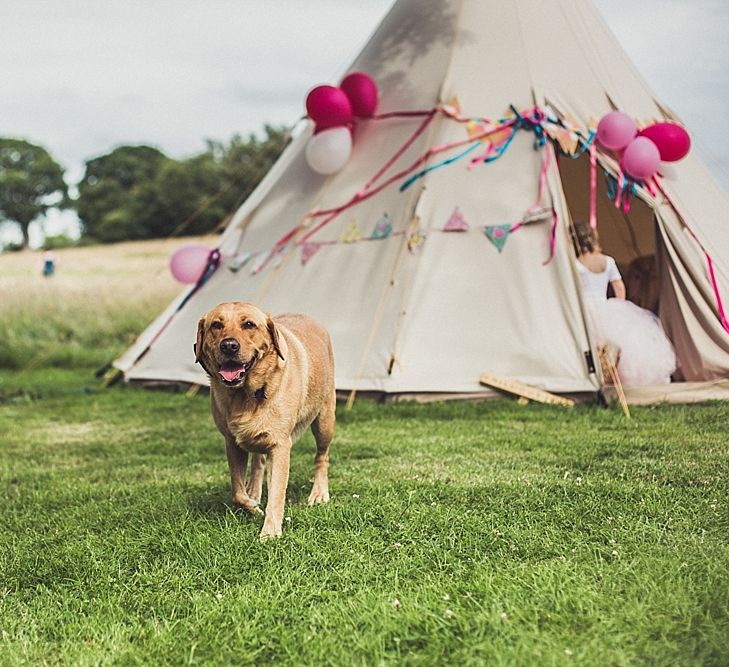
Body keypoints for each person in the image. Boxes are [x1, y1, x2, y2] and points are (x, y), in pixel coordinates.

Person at [574, 223, 676, 385]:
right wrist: (619, 306)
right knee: (615, 346)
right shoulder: (608, 261)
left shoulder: (576, 263)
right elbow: (619, 286)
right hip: (605, 305)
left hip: (585, 308)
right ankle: (615, 376)